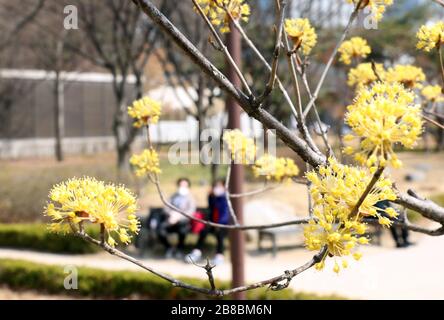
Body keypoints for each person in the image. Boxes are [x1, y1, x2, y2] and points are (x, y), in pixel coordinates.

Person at [187, 179, 230, 265]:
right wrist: (211, 196)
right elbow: (211, 208)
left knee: (220, 234)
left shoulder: (226, 198)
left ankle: (219, 256)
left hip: (224, 224)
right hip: (212, 223)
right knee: (203, 231)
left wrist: (219, 224)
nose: (217, 188)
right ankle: (196, 252)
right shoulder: (213, 197)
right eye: (216, 186)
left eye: (219, 186)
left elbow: (226, 213)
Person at [158, 178, 196, 259]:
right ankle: (169, 248)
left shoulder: (190, 198)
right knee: (160, 229)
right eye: (180, 185)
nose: (182, 186)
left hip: (183, 222)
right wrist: (171, 214)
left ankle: (179, 249)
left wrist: (179, 217)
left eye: (184, 185)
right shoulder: (173, 196)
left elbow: (191, 211)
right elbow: (166, 207)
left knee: (183, 231)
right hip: (170, 220)